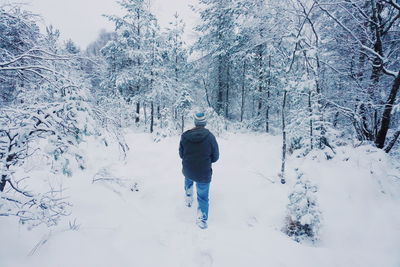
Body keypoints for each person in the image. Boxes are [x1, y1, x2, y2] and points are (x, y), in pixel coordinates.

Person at [179, 112, 219, 229]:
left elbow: (181, 154)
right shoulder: (210, 137)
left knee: (188, 178)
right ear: (204, 123)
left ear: (195, 122)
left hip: (188, 169)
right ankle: (201, 219)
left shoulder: (185, 136)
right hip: (203, 173)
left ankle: (188, 197)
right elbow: (215, 157)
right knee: (202, 196)